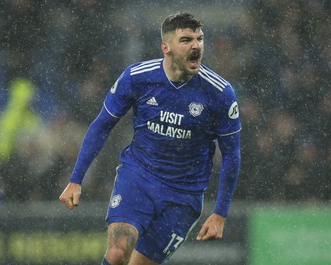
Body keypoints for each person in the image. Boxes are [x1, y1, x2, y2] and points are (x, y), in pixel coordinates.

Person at [59, 12, 241, 265]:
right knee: (117, 252)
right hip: (138, 177)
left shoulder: (220, 92)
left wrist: (220, 213)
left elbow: (232, 154)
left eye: (200, 39)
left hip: (184, 195)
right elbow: (102, 124)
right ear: (166, 47)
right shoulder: (138, 77)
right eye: (186, 40)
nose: (196, 45)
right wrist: (76, 179)